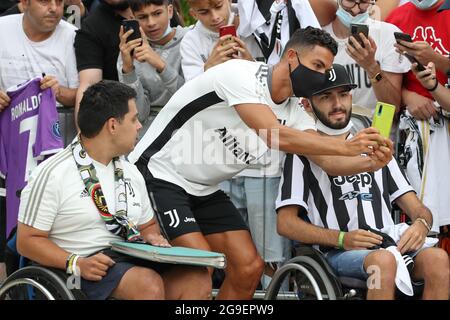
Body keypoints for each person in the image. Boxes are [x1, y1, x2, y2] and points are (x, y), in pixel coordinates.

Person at [128, 26, 391, 300]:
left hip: (204, 188)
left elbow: (328, 162)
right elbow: (273, 135)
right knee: (200, 266)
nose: (321, 76)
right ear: (291, 57)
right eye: (317, 66)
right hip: (159, 172)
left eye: (325, 70)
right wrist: (345, 145)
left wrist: (370, 164)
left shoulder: (297, 109)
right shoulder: (241, 75)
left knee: (249, 268)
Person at [16, 80, 211, 300]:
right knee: (147, 284)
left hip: (127, 260)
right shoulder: (53, 172)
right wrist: (76, 263)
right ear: (112, 125)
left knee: (197, 278)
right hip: (72, 271)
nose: (139, 126)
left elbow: (147, 226)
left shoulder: (130, 171)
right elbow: (27, 241)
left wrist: (152, 238)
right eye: (134, 119)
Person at [276, 64, 449, 300]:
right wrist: (341, 238)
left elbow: (419, 209)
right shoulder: (300, 152)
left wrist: (420, 225)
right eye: (326, 97)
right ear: (307, 105)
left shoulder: (376, 146)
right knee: (382, 263)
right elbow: (285, 224)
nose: (337, 104)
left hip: (387, 246)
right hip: (335, 255)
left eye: (343, 94)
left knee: (438, 260)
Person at [386, 0, 450, 233]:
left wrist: (436, 58)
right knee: (421, 213)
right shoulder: (396, 18)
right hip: (413, 132)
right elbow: (386, 86)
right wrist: (406, 96)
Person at [321, 0, 410, 112]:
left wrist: (371, 66)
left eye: (363, 2)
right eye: (350, 1)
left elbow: (392, 106)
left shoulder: (387, 34)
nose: (356, 10)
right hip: (335, 126)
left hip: (376, 126)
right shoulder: (319, 38)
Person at [118, 0, 187, 138]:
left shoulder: (189, 39)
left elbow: (190, 99)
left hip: (187, 127)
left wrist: (160, 65)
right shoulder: (128, 52)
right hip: (148, 134)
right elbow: (139, 115)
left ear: (170, 11)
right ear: (133, 18)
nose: (151, 23)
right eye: (142, 17)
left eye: (157, 13)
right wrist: (128, 71)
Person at [0, 0, 79, 110]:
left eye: (59, 2)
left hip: (55, 123)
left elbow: (83, 95)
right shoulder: (2, 29)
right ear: (24, 3)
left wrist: (59, 92)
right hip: (6, 121)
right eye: (44, 1)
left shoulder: (74, 37)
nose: (54, 8)